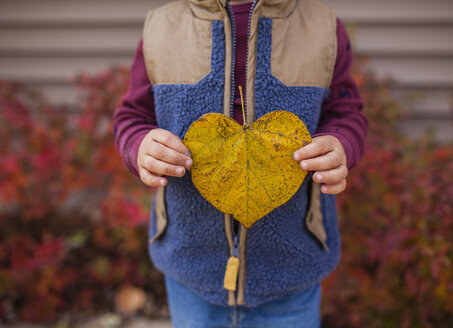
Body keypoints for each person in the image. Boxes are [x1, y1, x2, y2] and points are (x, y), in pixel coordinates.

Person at [113, 0, 368, 326]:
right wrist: (139, 145)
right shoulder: (162, 27)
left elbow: (346, 111)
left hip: (290, 264)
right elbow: (132, 116)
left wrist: (342, 144)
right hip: (192, 263)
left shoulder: (321, 27)